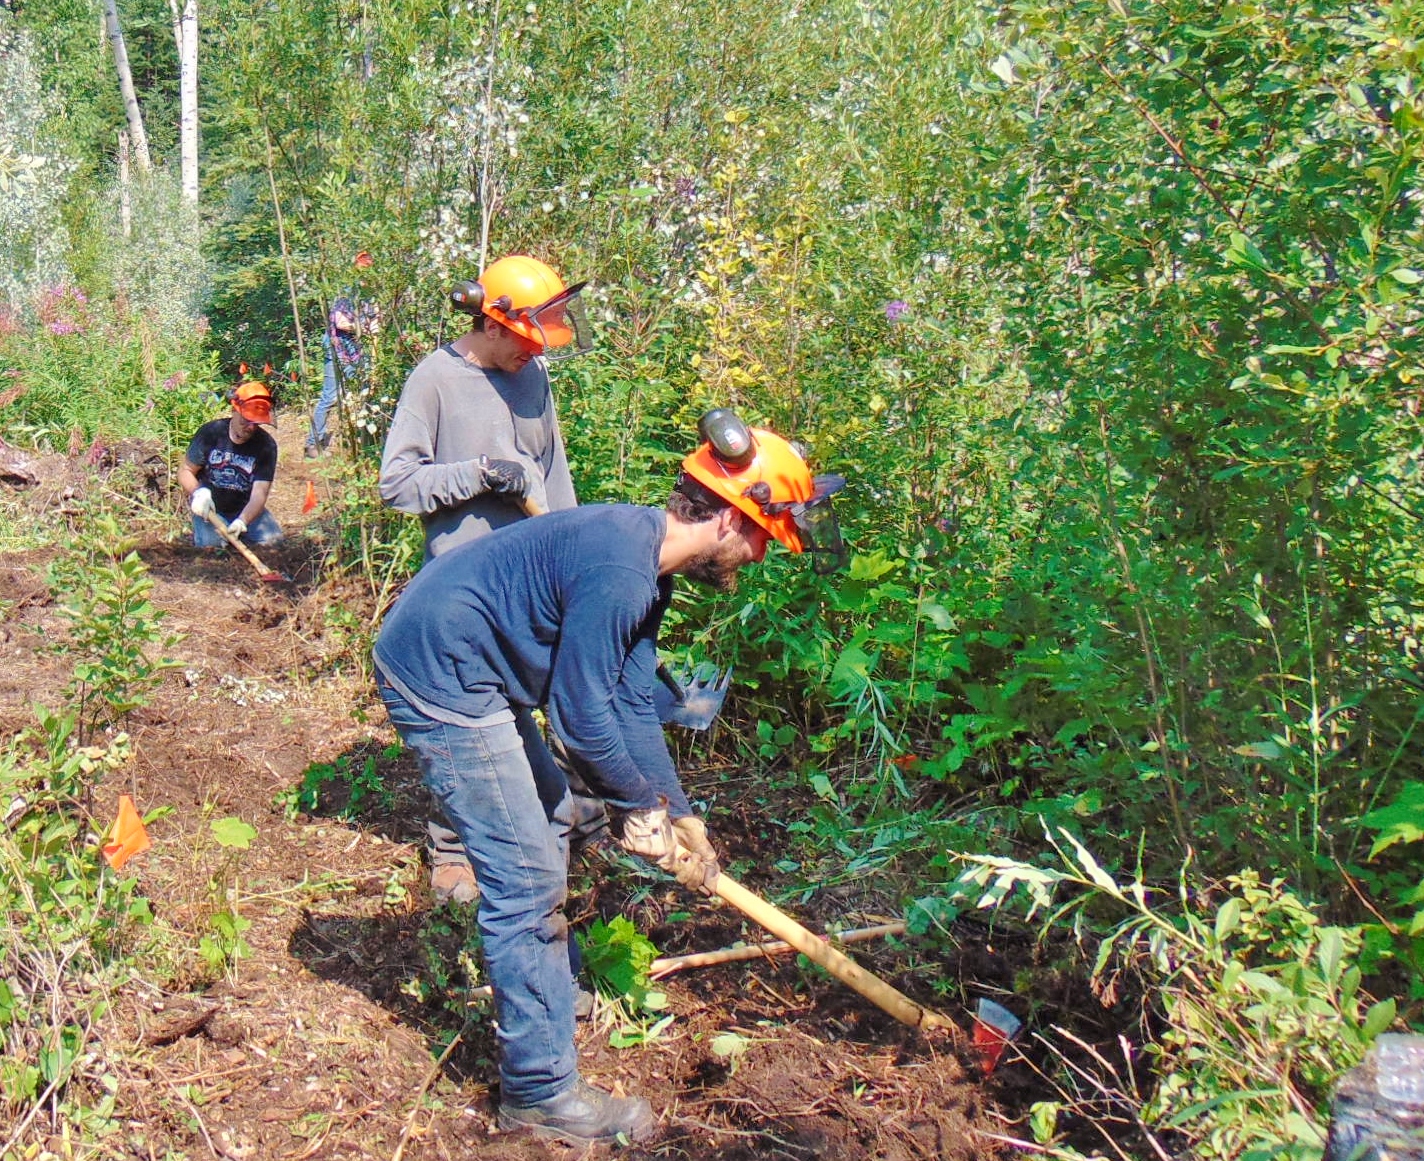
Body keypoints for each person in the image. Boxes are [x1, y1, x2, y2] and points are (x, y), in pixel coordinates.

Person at [371, 410, 846, 1144]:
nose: (758, 555)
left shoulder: (646, 565)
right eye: (761, 537)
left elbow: (626, 699)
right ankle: (539, 1094)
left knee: (553, 814)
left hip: (475, 665)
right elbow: (578, 712)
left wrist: (677, 809)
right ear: (729, 517)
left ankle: (543, 991)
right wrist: (634, 806)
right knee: (527, 876)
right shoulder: (623, 571)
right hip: (441, 671)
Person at [378, 254, 593, 905]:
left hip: (530, 585)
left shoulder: (534, 377)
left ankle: (561, 818)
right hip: (462, 593)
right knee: (470, 719)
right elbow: (398, 484)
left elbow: (553, 474)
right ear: (491, 324)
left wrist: (575, 557)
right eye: (524, 341)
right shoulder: (435, 380)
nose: (534, 354)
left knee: (531, 710)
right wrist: (476, 474)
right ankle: (452, 853)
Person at [179, 379, 283, 547]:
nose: (250, 427)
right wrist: (199, 493)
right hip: (211, 508)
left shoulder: (266, 445)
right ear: (234, 410)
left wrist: (243, 520)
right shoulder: (211, 433)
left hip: (243, 507)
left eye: (256, 423)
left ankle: (236, 533)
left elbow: (259, 494)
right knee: (210, 546)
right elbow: (185, 470)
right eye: (245, 420)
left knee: (273, 540)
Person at [306, 250, 378, 458]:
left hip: (358, 349)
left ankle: (365, 441)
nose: (365, 271)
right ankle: (313, 443)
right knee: (330, 396)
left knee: (365, 391)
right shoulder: (347, 292)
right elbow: (340, 322)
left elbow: (376, 320)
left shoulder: (372, 295)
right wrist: (363, 328)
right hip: (337, 347)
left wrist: (373, 337)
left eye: (368, 267)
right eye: (362, 266)